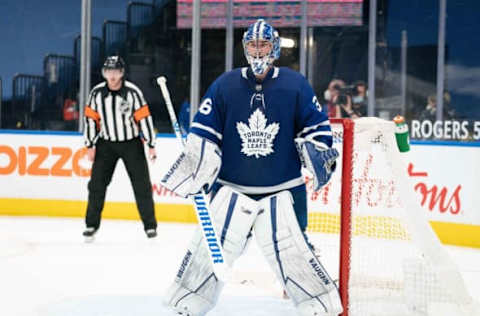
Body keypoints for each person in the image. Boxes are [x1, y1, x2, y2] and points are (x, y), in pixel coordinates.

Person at [160, 19, 343, 316]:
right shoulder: (225, 84)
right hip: (232, 187)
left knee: (293, 247)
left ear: (274, 48)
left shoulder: (295, 83)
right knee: (212, 245)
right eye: (253, 45)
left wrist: (318, 150)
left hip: (284, 188)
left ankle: (315, 302)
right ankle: (189, 299)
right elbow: (205, 130)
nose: (258, 52)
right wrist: (197, 162)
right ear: (245, 48)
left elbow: (316, 125)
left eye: (264, 45)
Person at [82, 56, 158, 242]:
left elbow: (144, 118)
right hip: (106, 144)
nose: (112, 76)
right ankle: (91, 225)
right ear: (104, 73)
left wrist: (150, 144)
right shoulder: (96, 93)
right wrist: (90, 145)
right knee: (96, 186)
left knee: (142, 186)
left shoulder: (133, 93)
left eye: (116, 71)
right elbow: (91, 119)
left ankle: (150, 226)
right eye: (108, 71)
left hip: (131, 143)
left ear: (122, 73)